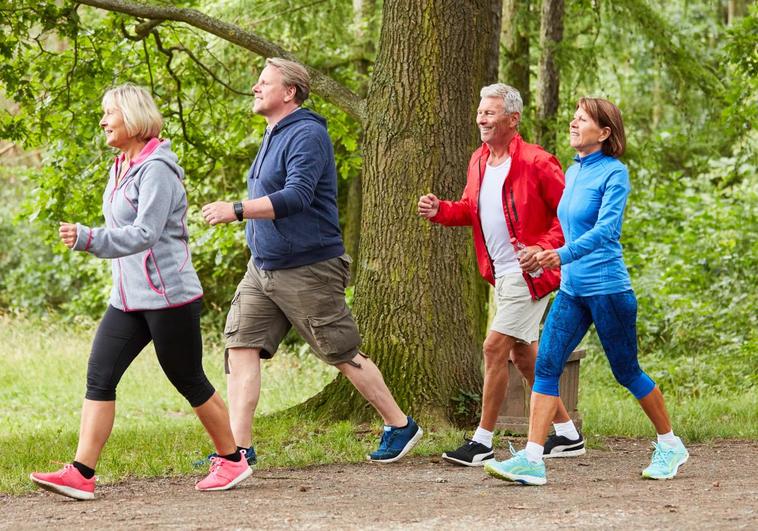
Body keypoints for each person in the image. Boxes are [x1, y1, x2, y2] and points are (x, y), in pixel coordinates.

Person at [30, 84, 251, 500]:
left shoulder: (158, 170)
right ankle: (81, 472)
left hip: (169, 296)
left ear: (132, 117)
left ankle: (233, 460)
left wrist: (89, 238)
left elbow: (146, 233)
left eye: (109, 113)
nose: (103, 121)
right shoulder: (121, 165)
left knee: (187, 377)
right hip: (128, 298)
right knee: (100, 375)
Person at [201, 57, 422, 463]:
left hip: (308, 268)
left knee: (341, 352)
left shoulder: (306, 134)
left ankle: (400, 424)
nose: (255, 87)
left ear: (289, 92)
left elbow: (297, 196)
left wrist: (236, 209)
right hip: (263, 267)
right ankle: (237, 451)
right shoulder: (273, 133)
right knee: (240, 347)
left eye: (264, 82)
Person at [485, 97, 689, 485]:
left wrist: (558, 255)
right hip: (572, 289)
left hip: (608, 289)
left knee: (626, 371)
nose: (574, 123)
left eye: (583, 119)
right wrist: (543, 252)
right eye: (574, 118)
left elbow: (607, 231)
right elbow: (566, 227)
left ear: (605, 132)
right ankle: (532, 459)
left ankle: (670, 443)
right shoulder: (574, 171)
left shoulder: (615, 174)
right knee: (546, 365)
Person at [418, 83, 584, 467]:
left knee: (494, 348)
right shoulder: (478, 159)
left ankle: (482, 441)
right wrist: (440, 210)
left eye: (490, 113)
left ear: (513, 119)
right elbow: (470, 208)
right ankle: (568, 435)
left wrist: (544, 251)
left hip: (531, 274)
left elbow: (570, 218)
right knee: (523, 356)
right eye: (480, 112)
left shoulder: (538, 162)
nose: (481, 118)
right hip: (501, 274)